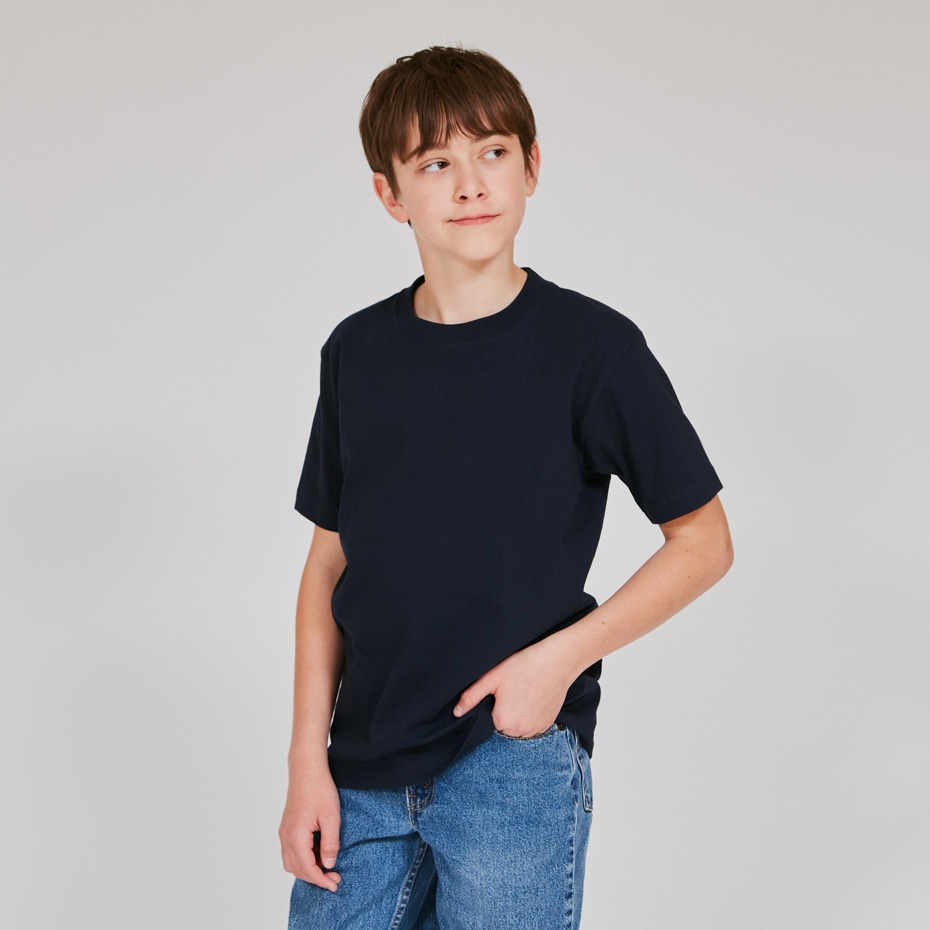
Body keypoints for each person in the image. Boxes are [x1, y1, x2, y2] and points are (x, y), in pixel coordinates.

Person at [279, 46, 733, 930]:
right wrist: (307, 761)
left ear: (531, 165)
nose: (469, 184)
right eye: (434, 163)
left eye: (491, 152)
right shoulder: (356, 353)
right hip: (362, 761)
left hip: (510, 757)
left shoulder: (593, 350)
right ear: (389, 194)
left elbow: (704, 540)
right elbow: (328, 565)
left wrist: (555, 662)